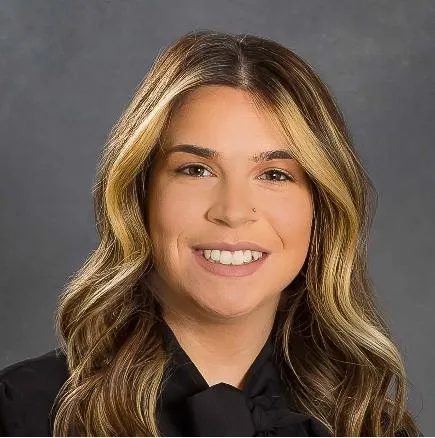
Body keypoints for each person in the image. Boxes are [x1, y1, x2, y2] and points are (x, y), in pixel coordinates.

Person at [0, 30, 421, 436]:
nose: (233, 212)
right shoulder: (21, 414)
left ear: (321, 207)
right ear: (140, 194)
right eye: (196, 169)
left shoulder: (372, 427)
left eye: (275, 174)